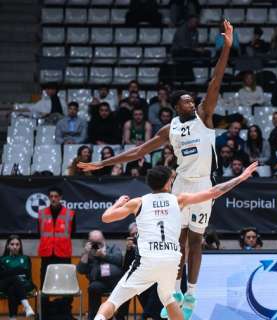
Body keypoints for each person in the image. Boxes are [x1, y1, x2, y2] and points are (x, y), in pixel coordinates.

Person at [78, 21, 234, 318]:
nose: (193, 102)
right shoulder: (169, 129)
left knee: (197, 238)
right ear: (178, 106)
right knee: (178, 239)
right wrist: (103, 162)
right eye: (187, 101)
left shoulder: (205, 116)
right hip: (180, 184)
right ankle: (174, 291)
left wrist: (226, 48)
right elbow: (138, 150)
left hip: (202, 182)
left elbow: (216, 80)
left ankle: (191, 294)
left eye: (193, 100)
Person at [92, 163, 258, 320]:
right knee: (168, 298)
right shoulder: (179, 199)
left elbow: (106, 218)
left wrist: (118, 203)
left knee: (113, 301)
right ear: (168, 181)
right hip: (172, 261)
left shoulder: (138, 202)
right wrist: (241, 177)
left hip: (148, 260)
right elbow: (214, 192)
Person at [38, 187, 74, 317]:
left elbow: (73, 232)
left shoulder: (70, 213)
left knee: (66, 285)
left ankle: (65, 313)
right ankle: (44, 314)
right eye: (51, 196)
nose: (53, 199)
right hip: (47, 254)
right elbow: (40, 232)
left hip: (63, 253)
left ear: (61, 197)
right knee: (44, 285)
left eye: (56, 196)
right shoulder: (42, 213)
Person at [76, 230, 124, 320]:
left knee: (124, 288)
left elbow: (119, 260)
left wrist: (104, 255)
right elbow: (80, 270)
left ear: (103, 240)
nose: (96, 245)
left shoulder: (113, 248)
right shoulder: (89, 254)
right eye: (93, 242)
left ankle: (119, 317)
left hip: (115, 282)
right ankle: (94, 316)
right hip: (99, 283)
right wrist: (86, 253)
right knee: (93, 287)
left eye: (98, 242)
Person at [0, 235, 35, 319]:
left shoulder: (25, 258)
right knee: (14, 279)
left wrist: (10, 272)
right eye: (12, 244)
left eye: (17, 244)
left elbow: (27, 275)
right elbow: (1, 275)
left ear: (20, 246)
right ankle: (27, 306)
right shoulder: (2, 259)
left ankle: (12, 318)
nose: (14, 247)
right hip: (3, 284)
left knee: (12, 287)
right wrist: (19, 270)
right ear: (8, 246)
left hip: (22, 284)